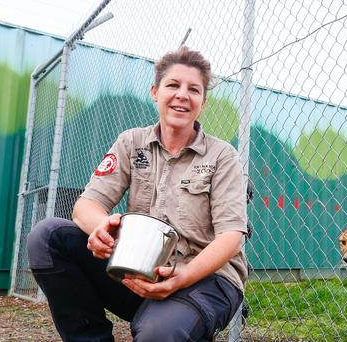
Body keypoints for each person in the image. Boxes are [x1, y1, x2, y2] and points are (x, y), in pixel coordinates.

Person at [27, 46, 248, 341]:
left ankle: (179, 320)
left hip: (206, 280)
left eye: (194, 89)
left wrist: (182, 277)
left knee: (158, 333)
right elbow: (87, 206)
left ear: (203, 102)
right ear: (155, 91)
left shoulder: (222, 156)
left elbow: (231, 237)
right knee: (48, 236)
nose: (183, 94)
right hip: (139, 266)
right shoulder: (132, 142)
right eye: (173, 85)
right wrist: (101, 230)